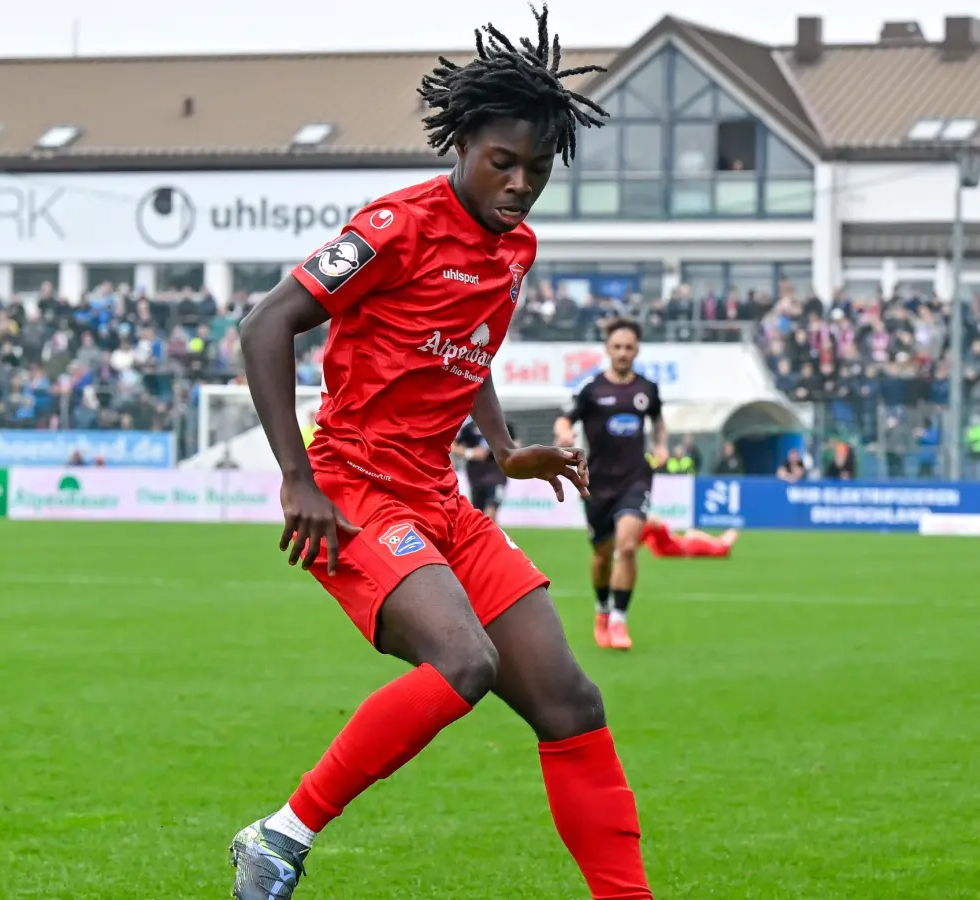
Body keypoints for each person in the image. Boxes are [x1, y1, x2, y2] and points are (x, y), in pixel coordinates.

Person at [229, 9, 651, 899]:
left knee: (571, 703)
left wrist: (500, 447)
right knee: (465, 663)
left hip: (440, 497)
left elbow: (465, 348)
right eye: (503, 162)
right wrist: (297, 479)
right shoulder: (393, 227)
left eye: (537, 169)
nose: (521, 184)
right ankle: (280, 836)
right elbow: (266, 324)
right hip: (352, 492)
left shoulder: (513, 247)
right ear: (461, 143)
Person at [555, 319, 666, 651]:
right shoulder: (591, 389)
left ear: (637, 350)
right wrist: (564, 433)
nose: (622, 353)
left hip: (635, 478)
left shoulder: (647, 389)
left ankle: (618, 620)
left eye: (629, 347)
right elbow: (565, 418)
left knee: (628, 547)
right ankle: (602, 610)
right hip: (597, 483)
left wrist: (661, 446)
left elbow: (659, 422)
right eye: (617, 347)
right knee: (602, 556)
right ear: (607, 349)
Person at [452, 414, 513, 521]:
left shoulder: (501, 426)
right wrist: (470, 453)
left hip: (496, 476)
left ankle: (494, 537)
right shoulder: (468, 429)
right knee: (479, 517)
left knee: (490, 512)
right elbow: (453, 446)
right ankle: (491, 537)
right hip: (476, 478)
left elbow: (515, 444)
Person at [641, 520, 737, 559]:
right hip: (681, 546)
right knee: (692, 533)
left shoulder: (654, 533)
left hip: (682, 547)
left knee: (722, 547)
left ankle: (719, 540)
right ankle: (719, 540)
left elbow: (654, 524)